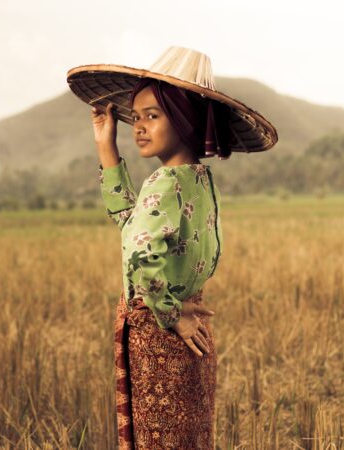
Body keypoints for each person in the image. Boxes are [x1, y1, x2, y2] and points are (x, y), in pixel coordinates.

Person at [67, 47, 277, 449]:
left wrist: (169, 313)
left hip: (161, 330)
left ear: (184, 120)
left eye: (153, 115)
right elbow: (134, 227)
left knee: (160, 439)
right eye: (137, 116)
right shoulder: (200, 178)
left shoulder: (165, 182)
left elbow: (138, 253)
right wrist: (105, 144)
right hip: (184, 325)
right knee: (188, 437)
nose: (138, 127)